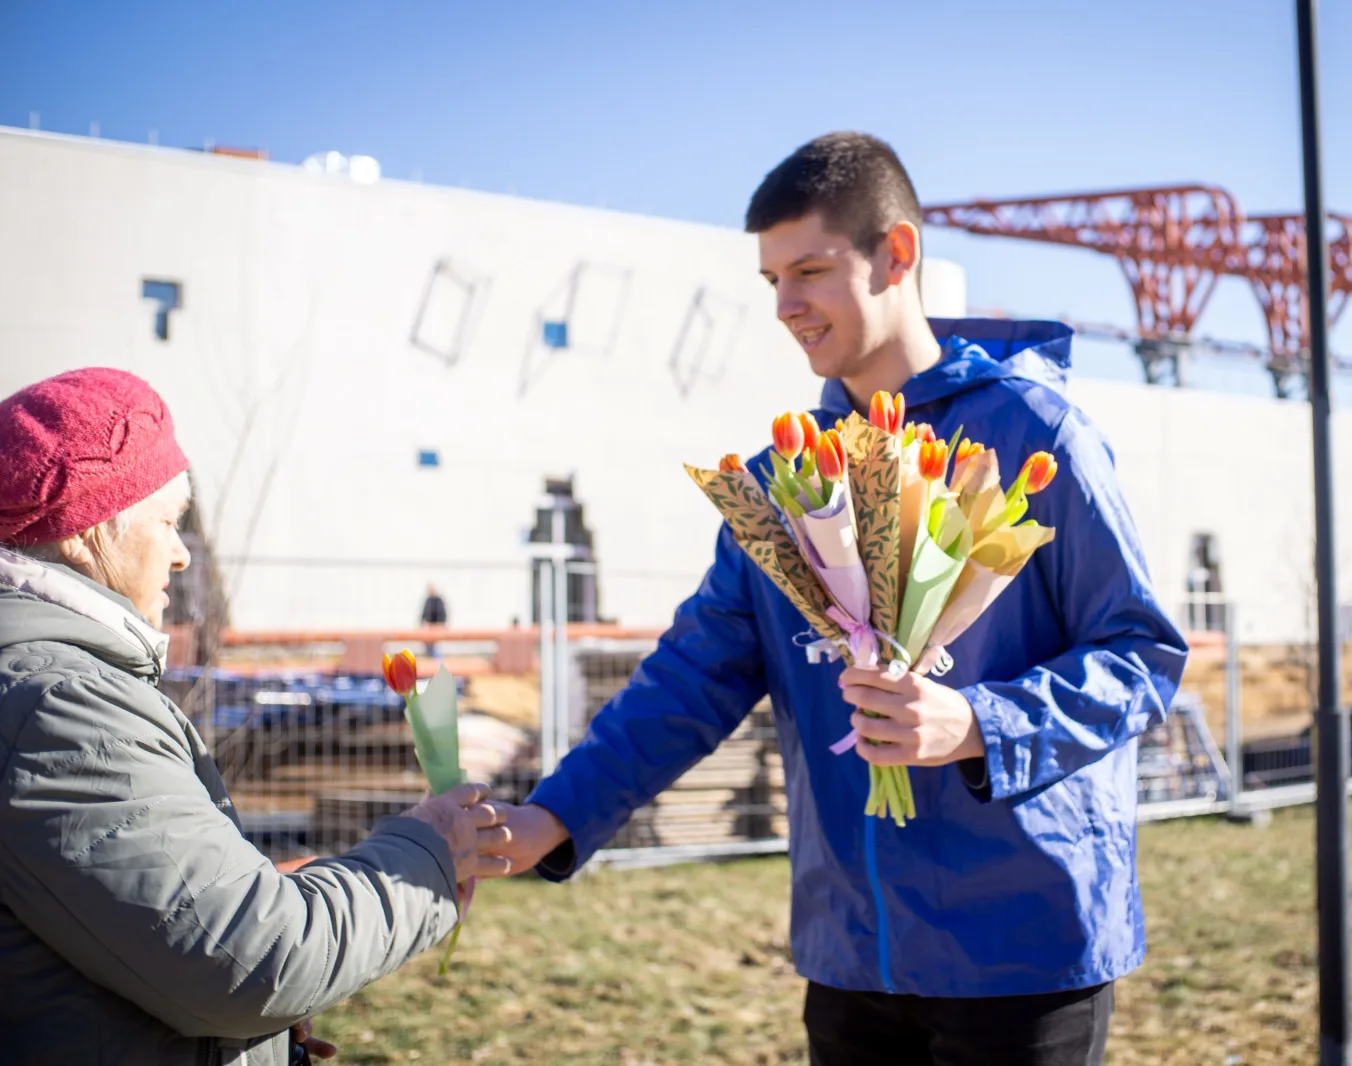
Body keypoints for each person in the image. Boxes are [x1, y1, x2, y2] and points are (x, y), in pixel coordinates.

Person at [489, 133, 1188, 1065]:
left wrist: (977, 723)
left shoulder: (1036, 434)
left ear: (897, 256)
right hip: (852, 951)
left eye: (810, 270)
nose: (785, 306)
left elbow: (1141, 654)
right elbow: (689, 681)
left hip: (1024, 951)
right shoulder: (785, 480)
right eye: (772, 278)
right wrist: (555, 816)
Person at [0, 368, 514, 1066]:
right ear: (85, 533)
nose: (181, 554)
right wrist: (431, 849)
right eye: (168, 522)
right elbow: (248, 963)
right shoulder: (61, 708)